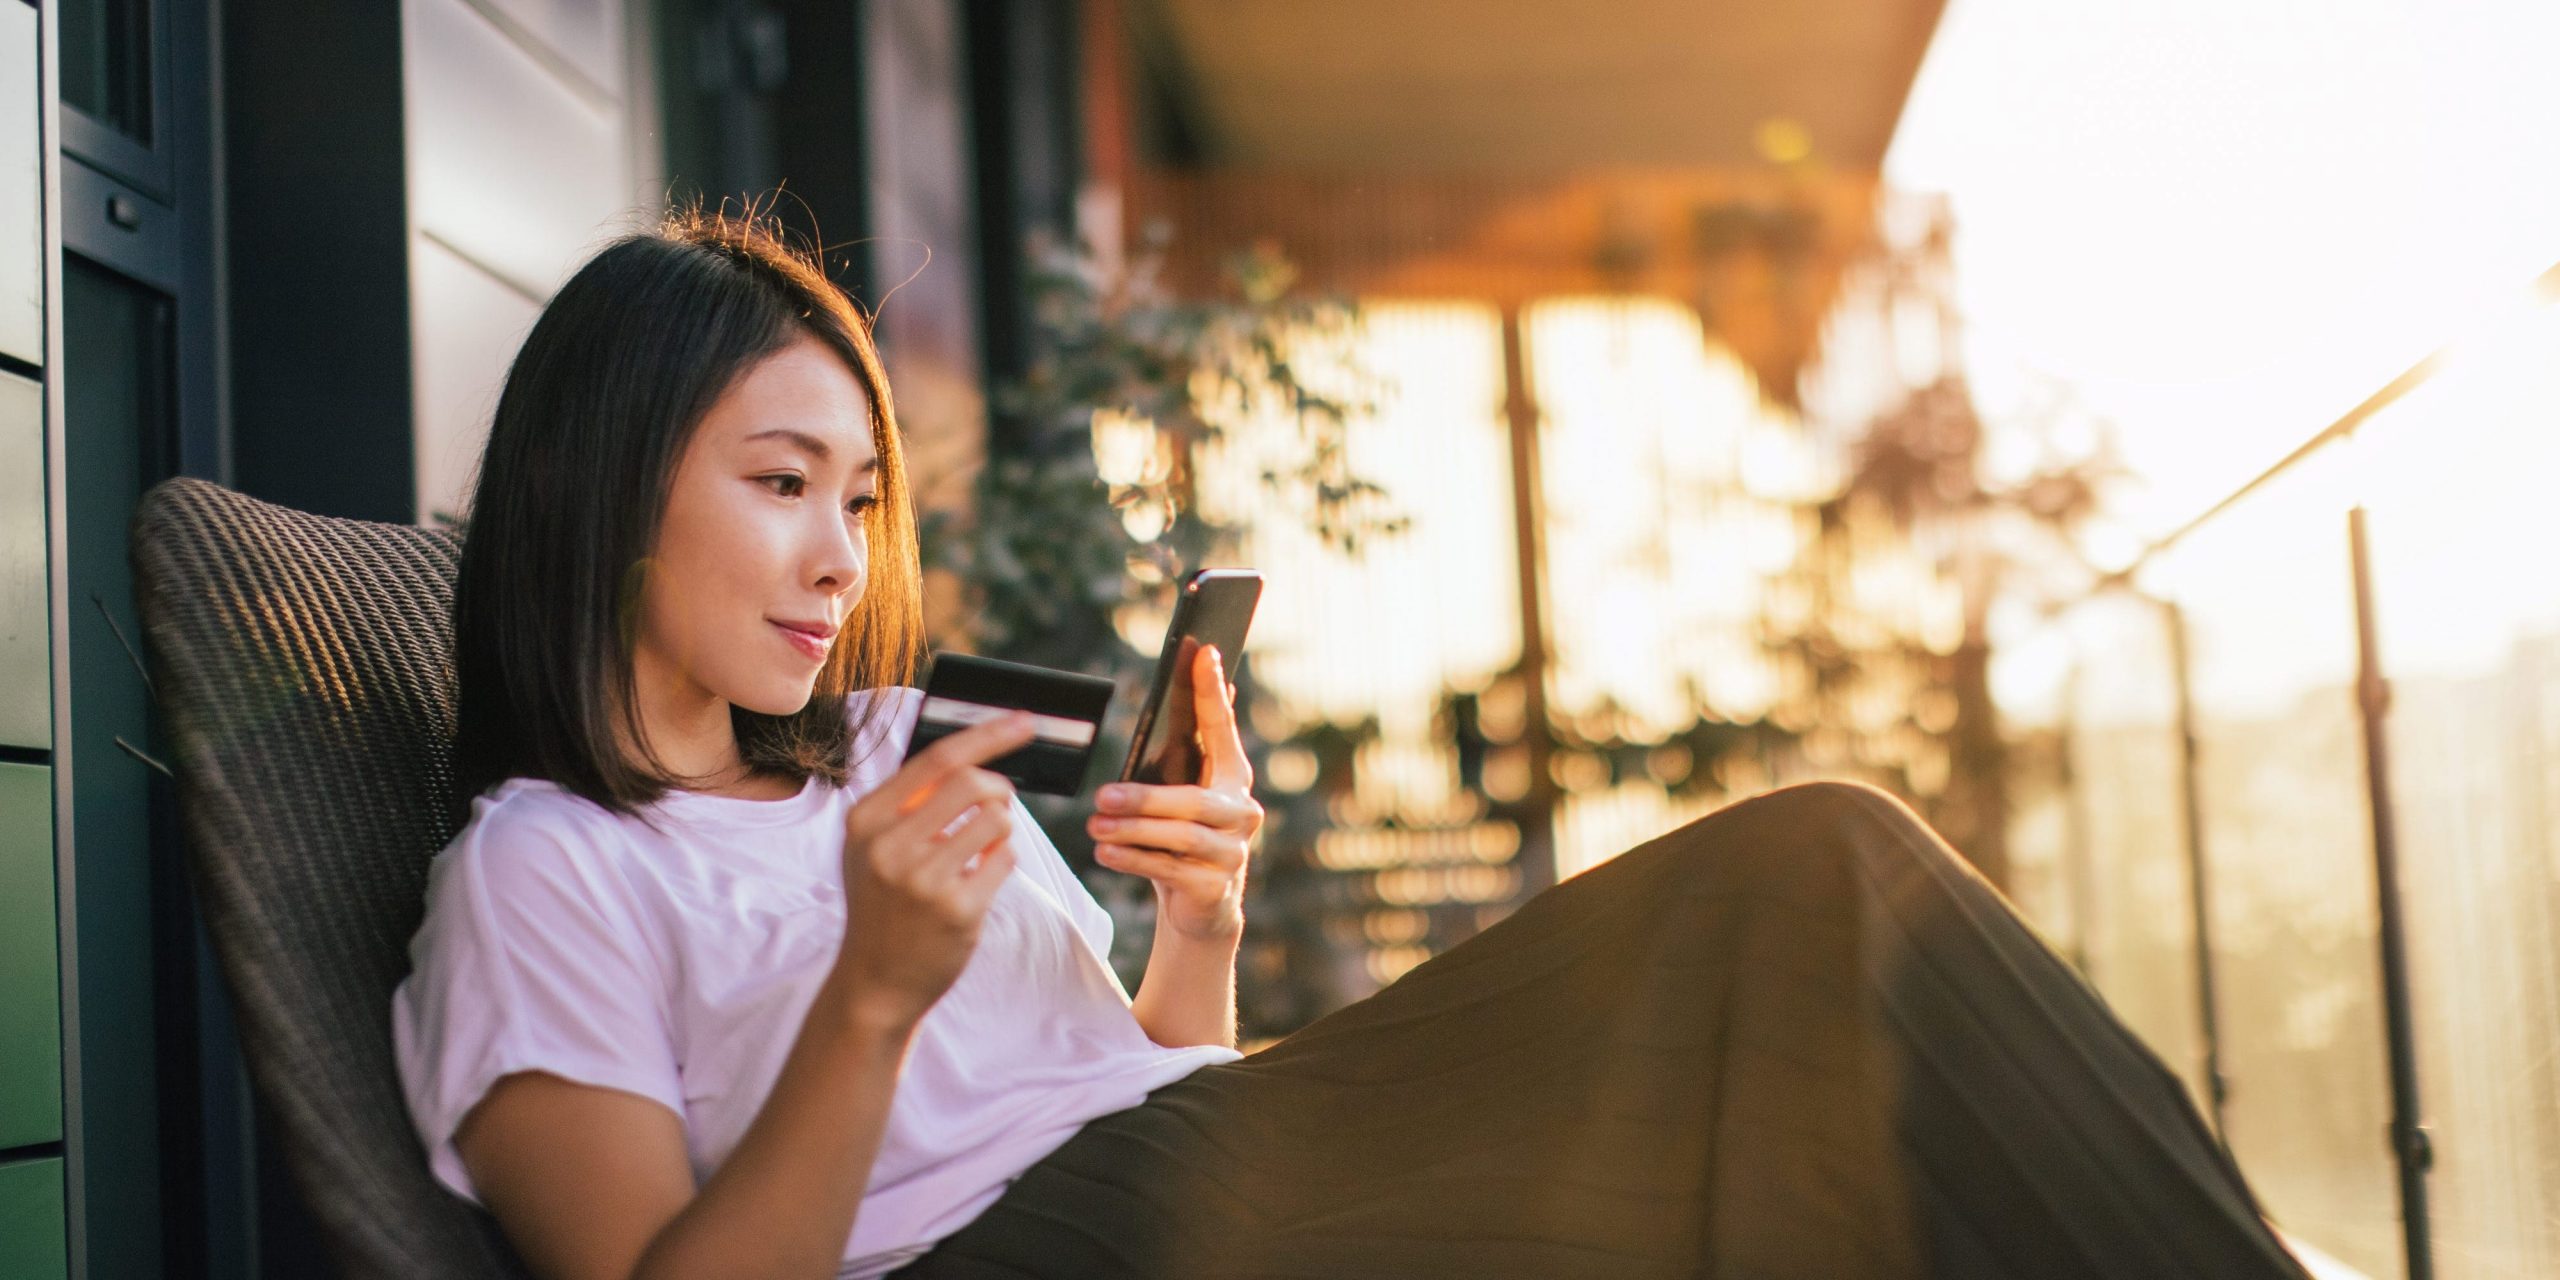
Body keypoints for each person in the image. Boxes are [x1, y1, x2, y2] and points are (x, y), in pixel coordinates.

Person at [391, 206, 2317, 1280]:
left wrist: (1200, 930)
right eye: (785, 482)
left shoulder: (888, 742)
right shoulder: (545, 868)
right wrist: (870, 1005)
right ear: (611, 481)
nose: (842, 556)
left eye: (868, 500)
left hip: (1208, 1165)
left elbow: (1124, 1082)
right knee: (1810, 886)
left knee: (1827, 949)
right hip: (1046, 1256)